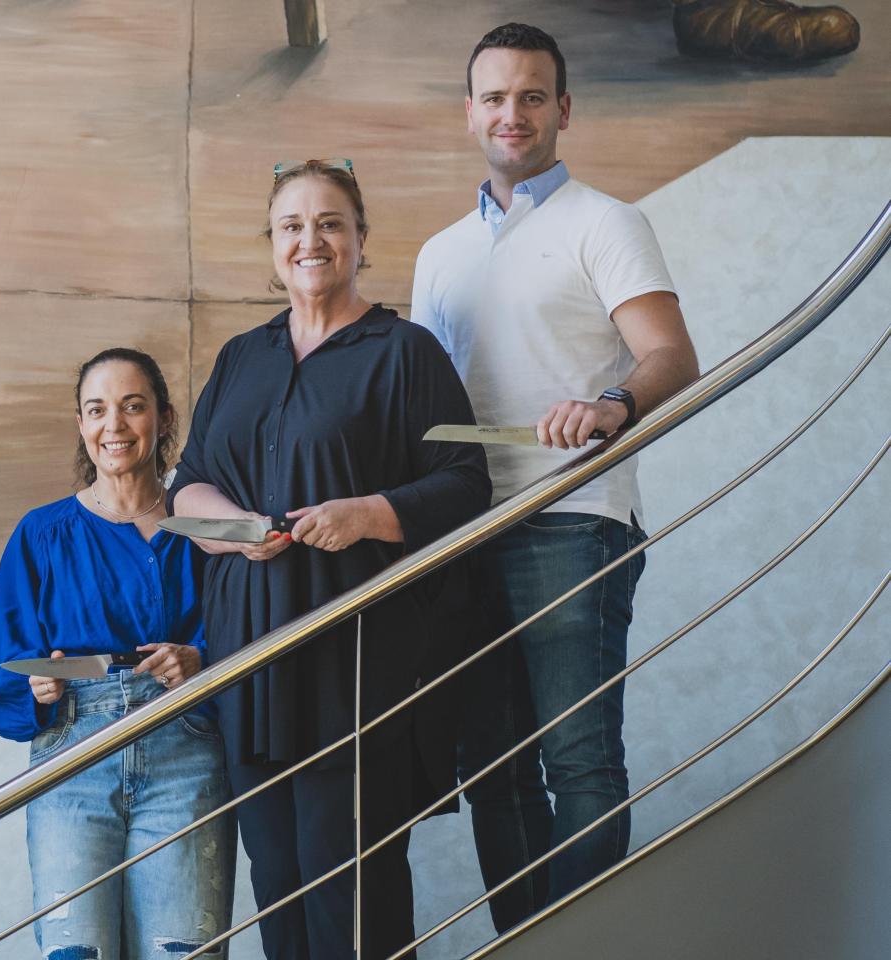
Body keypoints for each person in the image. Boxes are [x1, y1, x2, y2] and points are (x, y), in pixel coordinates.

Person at [410, 22, 700, 932]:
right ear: (469, 113)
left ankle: (583, 943)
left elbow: (671, 356)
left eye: (533, 95)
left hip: (575, 522)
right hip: (464, 533)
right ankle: (527, 943)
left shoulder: (606, 222)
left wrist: (613, 402)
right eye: (495, 97)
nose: (514, 113)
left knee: (576, 758)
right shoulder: (438, 254)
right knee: (493, 766)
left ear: (563, 110)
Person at [171, 159, 490, 960]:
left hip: (355, 656)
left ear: (359, 240)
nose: (310, 240)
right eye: (291, 226)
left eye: (329, 223)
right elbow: (186, 490)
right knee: (277, 889)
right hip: (249, 660)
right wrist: (239, 526)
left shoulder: (405, 352)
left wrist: (369, 515)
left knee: (352, 896)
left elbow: (465, 483)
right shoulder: (242, 358)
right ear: (272, 244)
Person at [0, 347, 236, 959]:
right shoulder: (41, 532)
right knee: (75, 953)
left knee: (183, 951)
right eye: (97, 410)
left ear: (165, 420)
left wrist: (201, 657)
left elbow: (252, 631)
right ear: (81, 426)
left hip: (186, 751)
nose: (113, 426)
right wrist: (36, 689)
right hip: (71, 762)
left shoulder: (204, 526)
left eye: (132, 407)